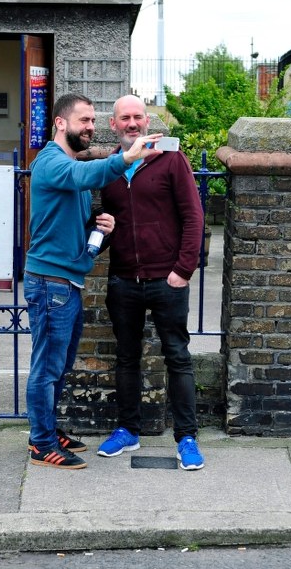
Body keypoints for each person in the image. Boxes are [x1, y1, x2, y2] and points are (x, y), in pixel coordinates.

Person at [25, 92, 163, 469]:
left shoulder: (71, 170)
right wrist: (126, 158)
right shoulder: (51, 163)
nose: (90, 128)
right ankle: (40, 444)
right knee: (47, 367)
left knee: (61, 364)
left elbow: (71, 225)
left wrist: (99, 228)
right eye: (84, 120)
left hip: (66, 281)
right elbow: (84, 174)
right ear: (60, 123)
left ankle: (49, 431)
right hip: (49, 282)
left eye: (92, 122)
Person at [96, 94, 206, 470]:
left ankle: (187, 438)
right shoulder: (110, 168)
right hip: (123, 279)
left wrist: (183, 270)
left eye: (138, 117)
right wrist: (102, 234)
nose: (132, 123)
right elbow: (107, 226)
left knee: (177, 357)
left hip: (167, 279)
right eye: (124, 117)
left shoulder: (170, 158)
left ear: (147, 121)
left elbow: (193, 217)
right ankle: (128, 430)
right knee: (126, 359)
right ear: (113, 124)